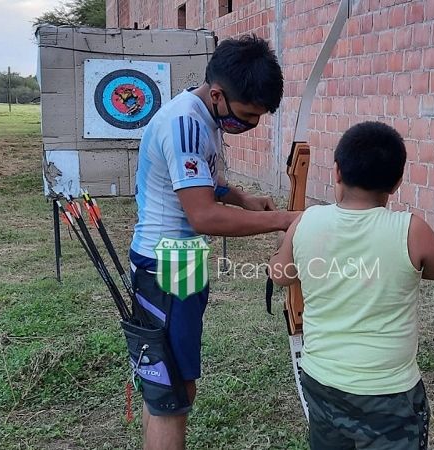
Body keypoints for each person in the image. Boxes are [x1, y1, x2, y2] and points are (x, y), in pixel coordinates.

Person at [128, 35, 298, 450]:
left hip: (180, 260)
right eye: (247, 115)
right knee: (172, 393)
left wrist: (241, 197)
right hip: (164, 263)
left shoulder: (204, 113)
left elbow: (202, 180)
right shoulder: (185, 123)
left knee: (176, 384)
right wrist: (284, 220)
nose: (251, 124)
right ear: (219, 94)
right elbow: (202, 215)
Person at [268, 121, 434, 450]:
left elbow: (281, 273)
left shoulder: (307, 221)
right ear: (396, 183)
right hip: (390, 395)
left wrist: (289, 240)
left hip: (322, 381)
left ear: (337, 172)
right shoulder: (411, 230)